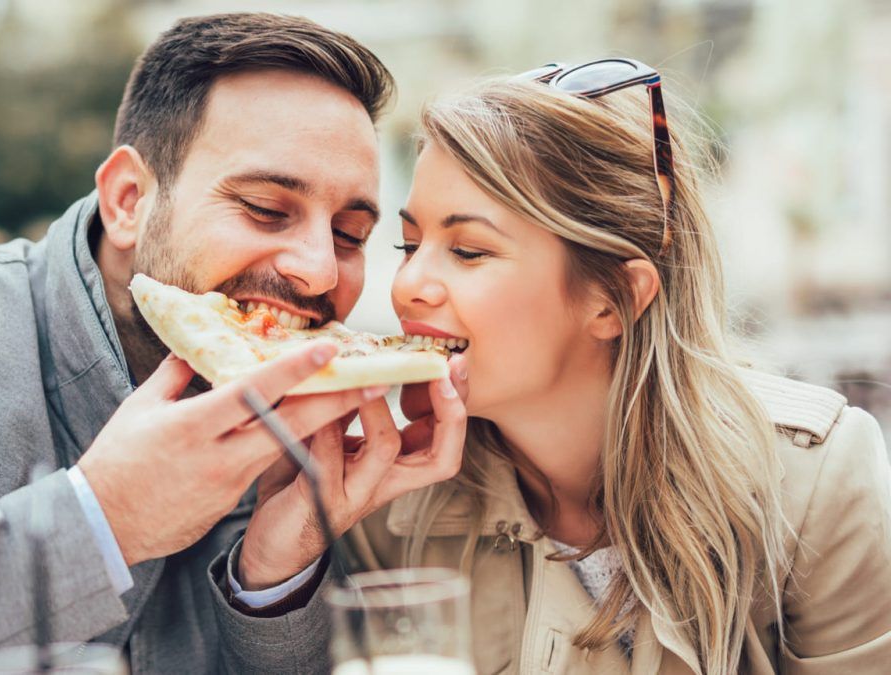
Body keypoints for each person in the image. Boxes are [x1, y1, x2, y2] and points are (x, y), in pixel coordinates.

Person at [0, 13, 468, 674]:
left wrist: (274, 583)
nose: (318, 268)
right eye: (267, 209)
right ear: (129, 200)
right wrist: (99, 521)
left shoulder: (316, 429)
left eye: (351, 233)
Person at [237, 61, 891, 673]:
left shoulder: (815, 485)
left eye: (467, 250)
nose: (408, 284)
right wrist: (273, 571)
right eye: (409, 244)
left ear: (614, 298)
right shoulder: (391, 494)